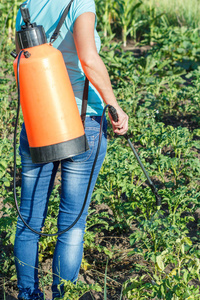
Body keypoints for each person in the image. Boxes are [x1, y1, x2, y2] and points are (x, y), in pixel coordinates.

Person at [14, 0, 129, 299]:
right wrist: (114, 104)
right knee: (72, 224)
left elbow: (22, 63)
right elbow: (88, 59)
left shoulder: (27, 6)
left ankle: (28, 294)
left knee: (28, 219)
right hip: (82, 121)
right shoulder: (80, 3)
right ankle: (63, 295)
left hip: (38, 122)